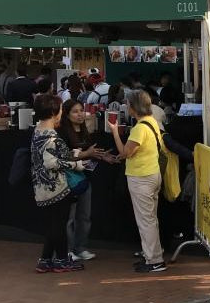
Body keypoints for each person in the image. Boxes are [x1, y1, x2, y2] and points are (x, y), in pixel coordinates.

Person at [110, 90, 167, 273]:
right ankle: (153, 255)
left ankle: (154, 260)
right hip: (152, 174)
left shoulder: (139, 128)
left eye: (128, 104)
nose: (126, 106)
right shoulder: (152, 121)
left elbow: (125, 153)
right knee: (150, 219)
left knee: (145, 221)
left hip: (141, 178)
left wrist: (115, 132)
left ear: (134, 107)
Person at [30, 94, 85, 273]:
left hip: (41, 186)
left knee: (53, 225)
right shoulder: (51, 136)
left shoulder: (38, 130)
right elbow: (51, 163)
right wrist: (75, 164)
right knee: (58, 225)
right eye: (60, 109)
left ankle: (46, 260)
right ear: (54, 112)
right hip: (56, 186)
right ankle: (61, 260)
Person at [58, 99, 116, 261]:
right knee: (69, 218)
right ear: (67, 115)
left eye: (81, 110)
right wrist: (87, 154)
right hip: (68, 179)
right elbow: (64, 156)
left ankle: (81, 248)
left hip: (84, 179)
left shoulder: (85, 131)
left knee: (84, 216)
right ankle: (67, 250)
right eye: (75, 111)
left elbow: (90, 154)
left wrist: (103, 157)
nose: (80, 114)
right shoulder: (62, 132)